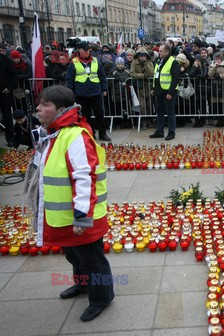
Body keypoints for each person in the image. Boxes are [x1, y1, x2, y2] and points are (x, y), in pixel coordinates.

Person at [24, 85, 114, 322]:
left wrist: (82, 217)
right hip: (63, 216)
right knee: (74, 256)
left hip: (83, 217)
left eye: (45, 105)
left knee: (92, 260)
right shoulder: (53, 132)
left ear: (61, 109)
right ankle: (82, 285)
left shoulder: (75, 135)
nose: (39, 108)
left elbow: (84, 178)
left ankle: (101, 297)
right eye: (39, 103)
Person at [66, 41, 111, 141]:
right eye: (85, 50)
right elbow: (70, 80)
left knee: (99, 113)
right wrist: (71, 93)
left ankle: (102, 134)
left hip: (95, 91)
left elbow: (102, 76)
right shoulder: (74, 62)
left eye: (89, 50)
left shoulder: (95, 61)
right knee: (86, 116)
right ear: (79, 50)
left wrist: (104, 89)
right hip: (82, 93)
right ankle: (91, 134)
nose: (88, 52)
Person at [150, 44, 180, 140]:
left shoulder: (173, 62)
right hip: (159, 91)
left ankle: (172, 132)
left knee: (170, 113)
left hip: (168, 91)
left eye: (161, 51)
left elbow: (175, 79)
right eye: (159, 51)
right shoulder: (158, 61)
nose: (159, 52)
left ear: (167, 52)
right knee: (159, 112)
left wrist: (170, 93)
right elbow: (156, 76)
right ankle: (159, 131)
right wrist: (153, 88)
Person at [130, 47, 154, 130]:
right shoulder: (134, 62)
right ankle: (144, 121)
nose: (143, 57)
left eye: (144, 56)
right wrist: (142, 76)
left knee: (149, 105)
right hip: (140, 87)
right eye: (141, 56)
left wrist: (146, 64)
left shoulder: (149, 62)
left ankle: (149, 120)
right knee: (142, 106)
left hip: (149, 86)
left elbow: (151, 73)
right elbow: (132, 73)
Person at [208, 52, 224, 127]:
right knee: (216, 105)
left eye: (218, 59)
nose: (217, 60)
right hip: (215, 87)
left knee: (223, 105)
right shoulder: (212, 65)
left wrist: (221, 76)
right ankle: (218, 120)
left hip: (223, 87)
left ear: (221, 59)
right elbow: (209, 75)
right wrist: (214, 67)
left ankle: (223, 120)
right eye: (216, 59)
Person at [0, 49, 17, 147]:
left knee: (7, 116)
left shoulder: (5, 59)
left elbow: (13, 75)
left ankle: (10, 138)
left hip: (4, 92)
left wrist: (9, 88)